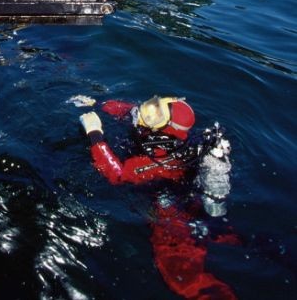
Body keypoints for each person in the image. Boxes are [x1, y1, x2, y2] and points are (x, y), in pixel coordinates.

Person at [74, 94, 236, 300]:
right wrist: (98, 103)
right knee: (224, 235)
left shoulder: (157, 162)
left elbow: (118, 175)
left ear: (164, 128)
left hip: (171, 200)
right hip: (182, 187)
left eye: (153, 113)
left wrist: (95, 134)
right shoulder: (161, 130)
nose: (143, 112)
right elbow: (129, 111)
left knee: (179, 271)